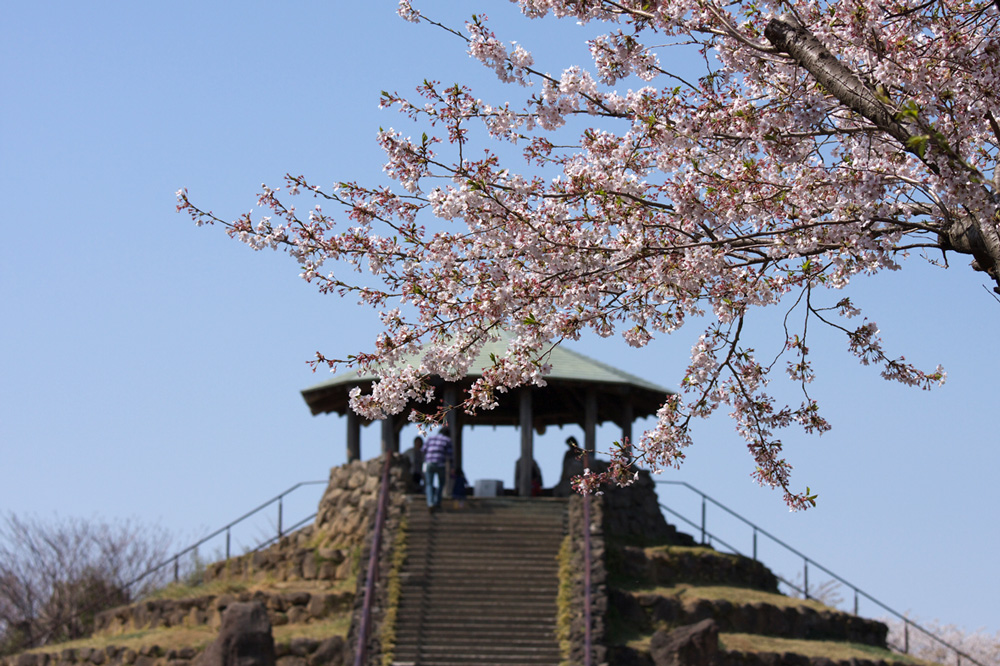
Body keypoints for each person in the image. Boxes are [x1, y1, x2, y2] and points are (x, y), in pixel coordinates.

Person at [422, 426, 452, 511]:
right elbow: (450, 455)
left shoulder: (430, 438)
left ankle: (430, 503)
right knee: (441, 483)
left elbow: (423, 449)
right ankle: (437, 502)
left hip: (429, 463)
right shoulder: (447, 440)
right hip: (440, 464)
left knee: (429, 484)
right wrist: (452, 467)